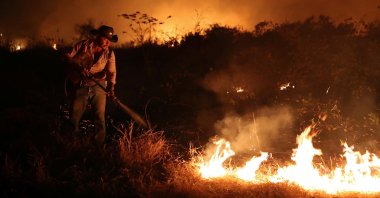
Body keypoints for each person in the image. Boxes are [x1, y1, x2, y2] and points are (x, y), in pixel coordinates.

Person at [65, 25, 118, 144]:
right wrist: (78, 68)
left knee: (99, 116)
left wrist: (111, 88)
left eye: (109, 40)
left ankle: (99, 144)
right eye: (105, 39)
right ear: (98, 36)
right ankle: (71, 142)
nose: (107, 43)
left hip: (99, 85)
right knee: (75, 114)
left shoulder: (109, 53)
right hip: (81, 84)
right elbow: (67, 57)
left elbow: (111, 72)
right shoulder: (83, 45)